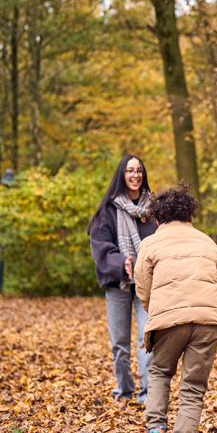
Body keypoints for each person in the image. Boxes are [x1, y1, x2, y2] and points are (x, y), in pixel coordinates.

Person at [127, 186, 217, 433]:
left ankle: (156, 431)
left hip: (169, 319)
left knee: (160, 372)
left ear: (157, 217)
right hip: (208, 320)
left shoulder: (150, 244)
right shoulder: (207, 241)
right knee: (194, 386)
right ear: (190, 214)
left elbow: (143, 287)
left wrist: (156, 310)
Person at [87, 154, 156, 410]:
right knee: (119, 342)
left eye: (139, 170)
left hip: (146, 284)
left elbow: (164, 241)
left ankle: (147, 392)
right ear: (122, 174)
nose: (135, 175)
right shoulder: (108, 210)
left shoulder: (154, 210)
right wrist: (121, 262)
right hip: (118, 284)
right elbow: (100, 244)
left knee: (147, 338)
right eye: (130, 170)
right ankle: (124, 390)